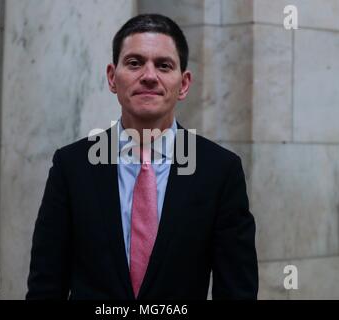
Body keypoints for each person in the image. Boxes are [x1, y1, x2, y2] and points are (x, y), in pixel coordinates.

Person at [26, 13, 258, 300]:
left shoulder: (220, 171)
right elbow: (45, 286)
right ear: (112, 77)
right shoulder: (71, 166)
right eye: (135, 63)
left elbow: (237, 291)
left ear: (183, 84)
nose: (149, 76)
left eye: (163, 65)